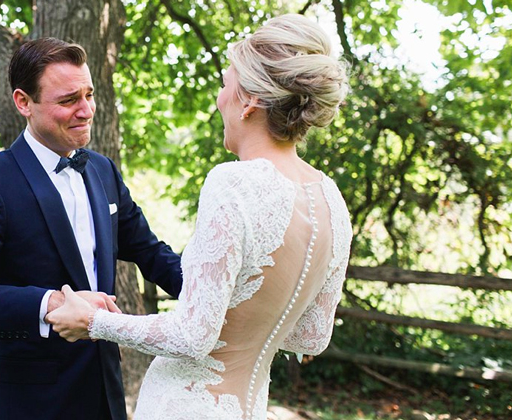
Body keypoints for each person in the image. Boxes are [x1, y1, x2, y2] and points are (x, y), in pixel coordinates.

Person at [47, 14, 352, 420]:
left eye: (225, 85)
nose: (219, 98)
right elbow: (311, 336)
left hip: (184, 406)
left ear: (250, 101)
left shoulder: (235, 182)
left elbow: (192, 336)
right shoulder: (330, 198)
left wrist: (94, 321)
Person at [0, 37, 183, 420]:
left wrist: (226, 304)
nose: (87, 110)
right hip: (28, 405)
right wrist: (49, 306)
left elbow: (151, 253)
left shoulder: (102, 170)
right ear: (23, 102)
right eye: (68, 100)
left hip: (105, 397)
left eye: (89, 94)